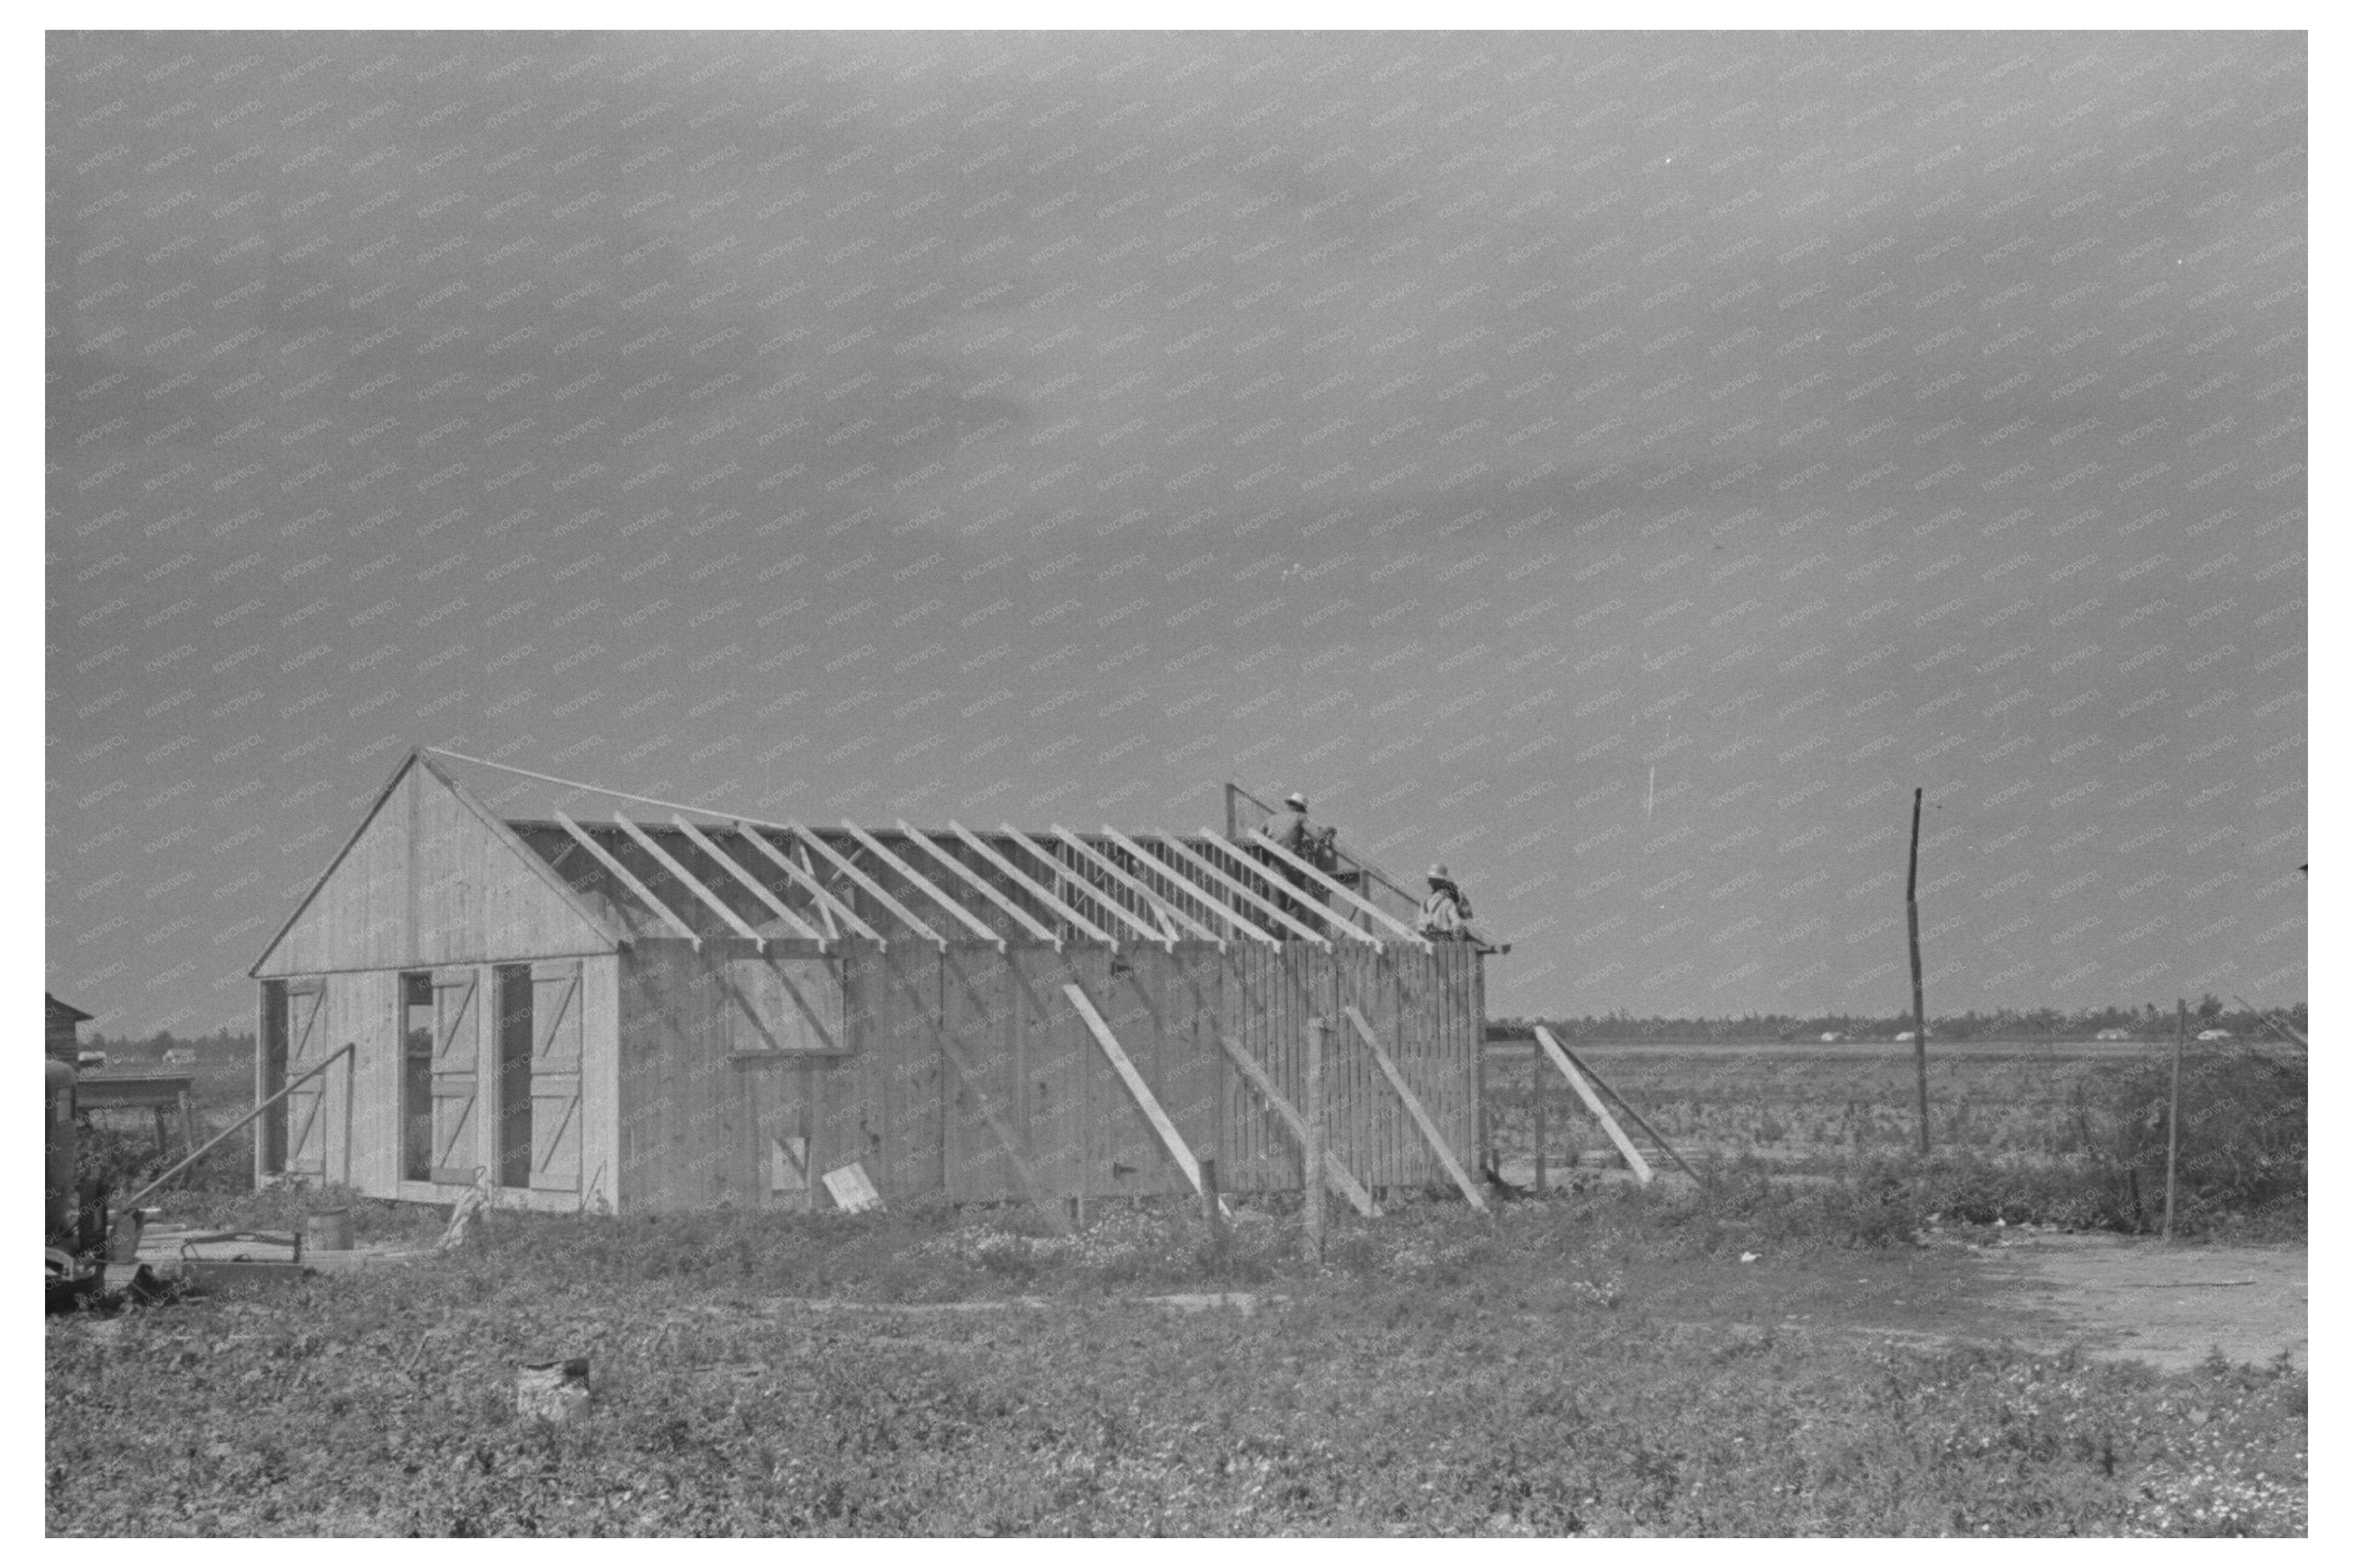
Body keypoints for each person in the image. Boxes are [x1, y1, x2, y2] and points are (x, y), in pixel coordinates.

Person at [1420, 864, 1474, 941]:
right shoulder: (1452, 895)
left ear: (1438, 881)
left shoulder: (1447, 897)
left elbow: (1466, 916)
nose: (1429, 882)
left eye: (1431, 880)